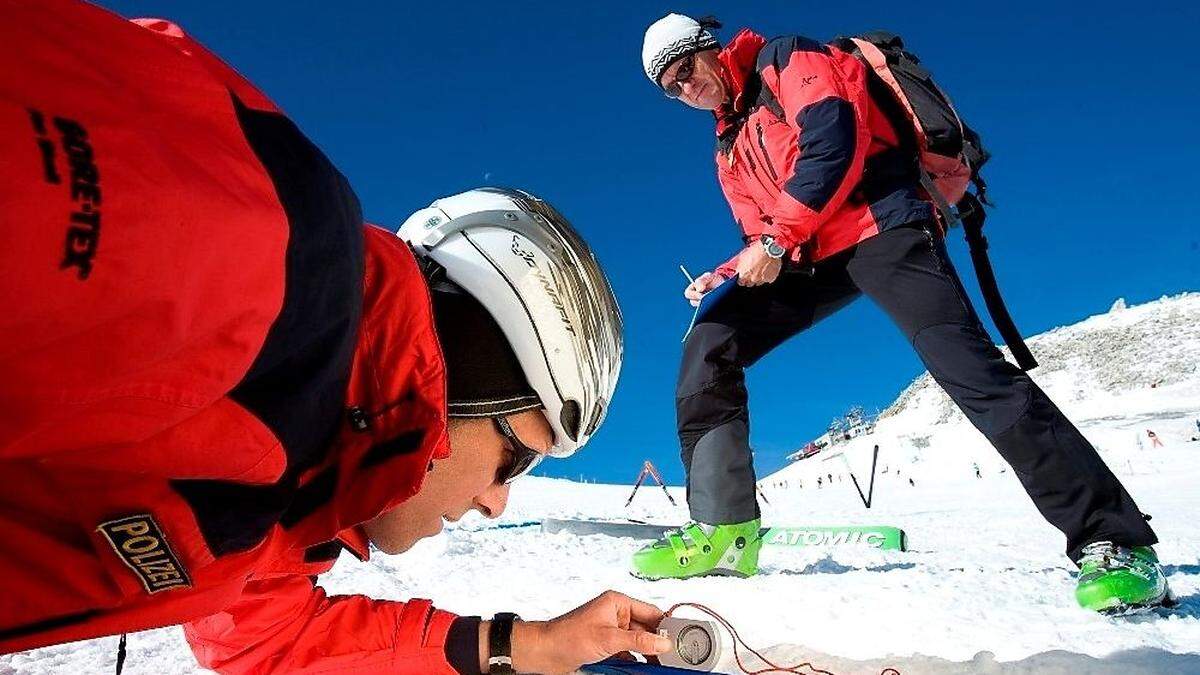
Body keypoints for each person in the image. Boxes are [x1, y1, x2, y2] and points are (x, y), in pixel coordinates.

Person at [0, 3, 670, 673]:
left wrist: (533, 645)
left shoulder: (296, 468)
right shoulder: (237, 249)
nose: (496, 502)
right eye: (515, 456)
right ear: (473, 378)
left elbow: (267, 639)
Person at [631, 12, 1171, 614]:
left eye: (685, 69)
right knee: (710, 343)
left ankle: (1115, 541)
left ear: (709, 49)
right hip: (811, 250)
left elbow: (833, 138)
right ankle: (723, 532)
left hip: (880, 223)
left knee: (969, 371)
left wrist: (778, 242)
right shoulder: (728, 145)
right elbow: (761, 231)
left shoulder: (782, 59)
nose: (685, 88)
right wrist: (727, 272)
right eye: (670, 88)